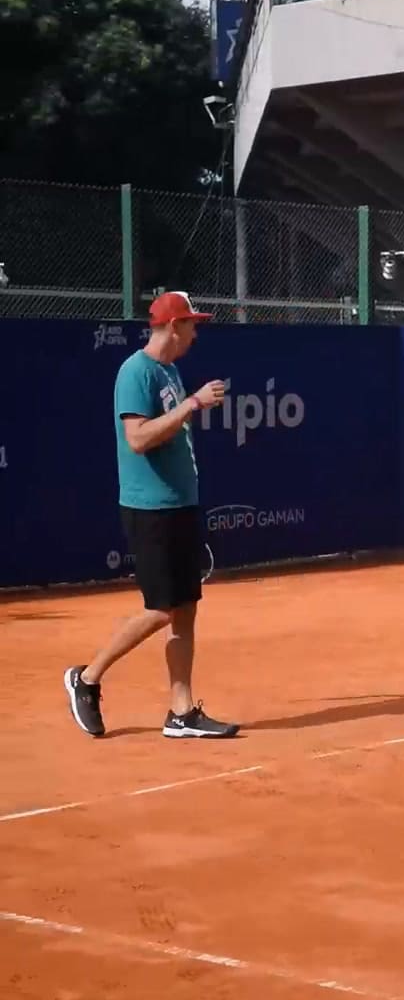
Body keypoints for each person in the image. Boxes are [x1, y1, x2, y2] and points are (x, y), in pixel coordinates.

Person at [64, 290, 240, 740]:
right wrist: (192, 405)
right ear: (174, 326)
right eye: (193, 325)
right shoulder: (135, 372)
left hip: (180, 505)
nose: (196, 334)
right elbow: (138, 438)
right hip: (150, 508)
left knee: (185, 610)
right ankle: (86, 677)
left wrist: (188, 406)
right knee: (162, 609)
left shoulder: (170, 370)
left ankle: (181, 712)